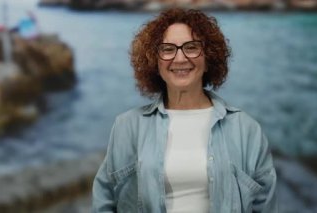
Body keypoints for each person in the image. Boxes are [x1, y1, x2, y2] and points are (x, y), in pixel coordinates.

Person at [92, 8, 277, 213]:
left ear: (208, 59)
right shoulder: (127, 127)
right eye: (168, 49)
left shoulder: (247, 130)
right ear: (155, 62)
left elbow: (265, 206)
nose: (180, 59)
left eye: (191, 47)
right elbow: (104, 200)